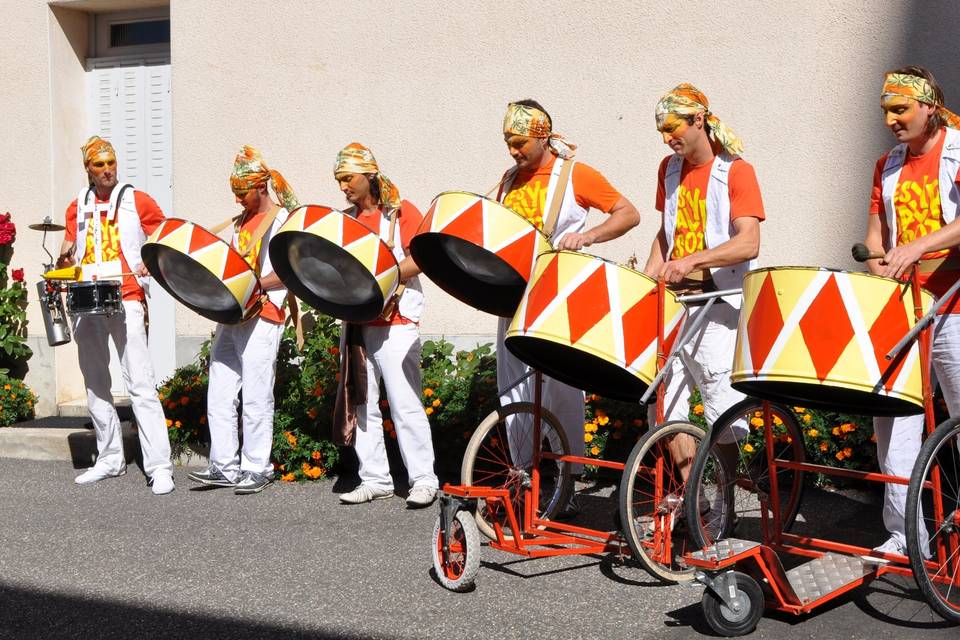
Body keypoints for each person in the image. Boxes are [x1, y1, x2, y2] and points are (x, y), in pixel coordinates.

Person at [496, 100, 640, 515]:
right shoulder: (508, 180)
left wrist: (589, 236)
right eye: (508, 143)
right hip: (514, 300)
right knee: (513, 394)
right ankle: (522, 482)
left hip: (560, 300)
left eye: (519, 142)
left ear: (542, 135)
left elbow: (627, 214)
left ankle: (565, 484)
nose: (513, 152)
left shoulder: (576, 174)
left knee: (562, 394)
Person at [642, 83, 764, 488]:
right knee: (667, 405)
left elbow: (749, 241)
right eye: (661, 130)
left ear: (698, 120)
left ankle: (727, 496)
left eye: (672, 127)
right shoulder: (669, 168)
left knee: (723, 408)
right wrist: (647, 280)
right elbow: (666, 232)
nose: (666, 138)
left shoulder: (736, 170)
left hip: (719, 305)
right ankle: (691, 500)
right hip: (677, 303)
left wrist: (692, 260)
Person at [862, 66, 960, 561]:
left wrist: (918, 246)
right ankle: (905, 537)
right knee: (894, 423)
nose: (891, 119)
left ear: (929, 106)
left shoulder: (958, 149)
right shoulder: (887, 163)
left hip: (956, 304)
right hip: (905, 307)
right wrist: (880, 259)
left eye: (900, 109)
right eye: (886, 112)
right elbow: (876, 235)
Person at [57, 136, 174, 495]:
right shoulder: (77, 204)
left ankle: (159, 467)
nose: (107, 170)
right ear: (88, 170)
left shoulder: (137, 199)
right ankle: (109, 459)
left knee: (140, 382)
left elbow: (164, 237)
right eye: (99, 165)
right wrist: (63, 264)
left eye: (111, 163)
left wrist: (147, 267)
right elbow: (69, 248)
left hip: (127, 296)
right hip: (86, 300)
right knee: (95, 382)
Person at [187, 145, 299, 495]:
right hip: (234, 313)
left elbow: (290, 270)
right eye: (234, 193)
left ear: (260, 187)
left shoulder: (282, 220)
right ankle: (224, 465)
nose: (237, 200)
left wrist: (250, 285)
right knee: (220, 389)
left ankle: (257, 466)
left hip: (265, 313)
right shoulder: (241, 222)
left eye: (242, 193)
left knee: (255, 393)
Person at [332, 143, 438, 508]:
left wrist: (384, 277)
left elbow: (422, 257)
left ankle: (424, 478)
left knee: (405, 402)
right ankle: (374, 477)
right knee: (363, 404)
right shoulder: (344, 219)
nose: (343, 186)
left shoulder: (401, 212)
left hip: (396, 322)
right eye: (339, 180)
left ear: (369, 175)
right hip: (360, 323)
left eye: (348, 178)